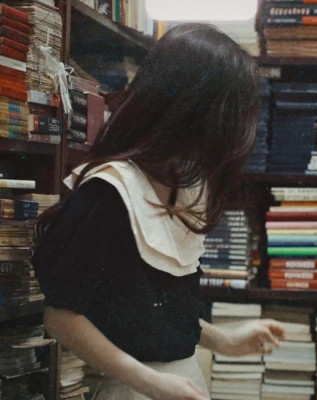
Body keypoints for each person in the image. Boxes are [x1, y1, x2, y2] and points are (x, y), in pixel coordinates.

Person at [33, 23, 285, 400]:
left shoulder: (183, 186)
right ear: (191, 111)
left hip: (177, 383)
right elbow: (60, 316)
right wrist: (149, 382)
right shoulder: (110, 191)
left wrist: (224, 341)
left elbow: (152, 314)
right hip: (130, 390)